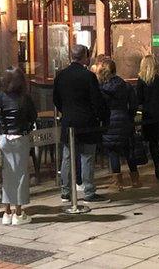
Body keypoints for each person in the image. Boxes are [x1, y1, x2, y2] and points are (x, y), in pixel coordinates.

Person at [53, 45, 107, 202]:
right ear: (85, 57)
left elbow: (56, 99)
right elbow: (96, 100)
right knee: (87, 156)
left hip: (68, 120)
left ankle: (65, 191)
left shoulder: (61, 76)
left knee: (67, 157)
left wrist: (66, 110)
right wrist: (100, 116)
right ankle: (89, 191)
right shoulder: (88, 76)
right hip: (87, 122)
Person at [0, 66, 37, 225]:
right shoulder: (25, 98)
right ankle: (18, 213)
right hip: (20, 137)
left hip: (4, 138)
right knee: (20, 175)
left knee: (6, 174)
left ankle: (6, 212)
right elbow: (33, 116)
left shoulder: (0, 97)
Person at [98, 59, 140, 190]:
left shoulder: (101, 89)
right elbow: (134, 104)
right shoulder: (125, 85)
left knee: (113, 151)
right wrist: (129, 115)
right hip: (124, 119)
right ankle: (135, 179)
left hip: (109, 121)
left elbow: (100, 107)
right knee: (128, 150)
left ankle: (118, 182)